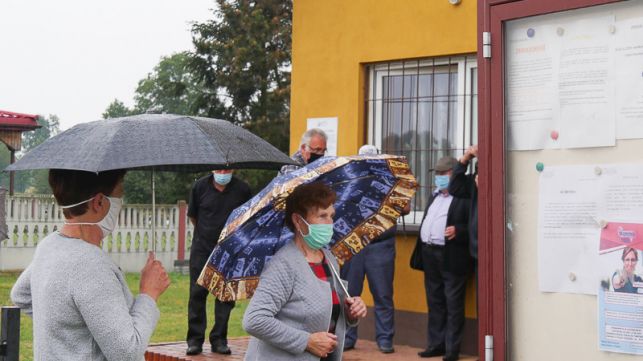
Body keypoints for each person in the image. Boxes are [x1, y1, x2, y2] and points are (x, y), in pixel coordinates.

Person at [11, 169, 170, 361]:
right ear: (99, 202)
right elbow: (127, 352)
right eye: (119, 195)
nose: (121, 204)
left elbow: (20, 294)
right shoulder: (91, 265)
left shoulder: (49, 245)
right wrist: (148, 294)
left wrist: (70, 332)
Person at [243, 182, 368, 361]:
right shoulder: (284, 264)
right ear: (298, 221)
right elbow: (254, 320)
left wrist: (350, 312)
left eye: (331, 216)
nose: (330, 223)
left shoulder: (329, 258)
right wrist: (307, 341)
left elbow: (325, 312)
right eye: (322, 216)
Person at [340, 144, 408, 354]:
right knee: (350, 293)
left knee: (383, 295)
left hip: (381, 246)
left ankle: (385, 339)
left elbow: (406, 208)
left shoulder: (388, 179)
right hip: (355, 245)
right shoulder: (349, 179)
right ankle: (348, 338)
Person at [186, 169, 252, 355]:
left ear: (234, 169)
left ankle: (219, 339)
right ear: (213, 169)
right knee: (197, 295)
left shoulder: (242, 189)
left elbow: (247, 217)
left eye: (227, 169)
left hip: (230, 250)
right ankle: (195, 340)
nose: (223, 173)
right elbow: (193, 216)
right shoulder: (199, 187)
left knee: (225, 296)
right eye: (220, 169)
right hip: (202, 248)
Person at [417, 156, 471, 361]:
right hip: (430, 253)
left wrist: (460, 230)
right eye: (437, 174)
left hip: (451, 255)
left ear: (454, 174)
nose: (439, 177)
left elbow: (475, 224)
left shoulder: (463, 197)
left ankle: (451, 349)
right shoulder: (435, 196)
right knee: (435, 300)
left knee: (453, 302)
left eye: (443, 173)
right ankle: (436, 344)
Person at [449, 145, 478, 264]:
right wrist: (465, 159)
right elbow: (455, 187)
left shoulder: (492, 177)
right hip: (476, 251)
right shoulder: (472, 181)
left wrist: (481, 156)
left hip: (490, 247)